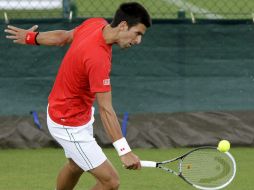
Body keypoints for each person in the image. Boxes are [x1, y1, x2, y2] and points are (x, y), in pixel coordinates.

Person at [5, 2, 151, 190]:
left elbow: (63, 37)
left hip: (72, 113)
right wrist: (124, 151)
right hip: (68, 122)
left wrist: (32, 37)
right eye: (137, 33)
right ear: (123, 26)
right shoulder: (97, 58)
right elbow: (106, 109)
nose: (138, 40)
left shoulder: (95, 24)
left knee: (75, 165)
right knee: (111, 182)